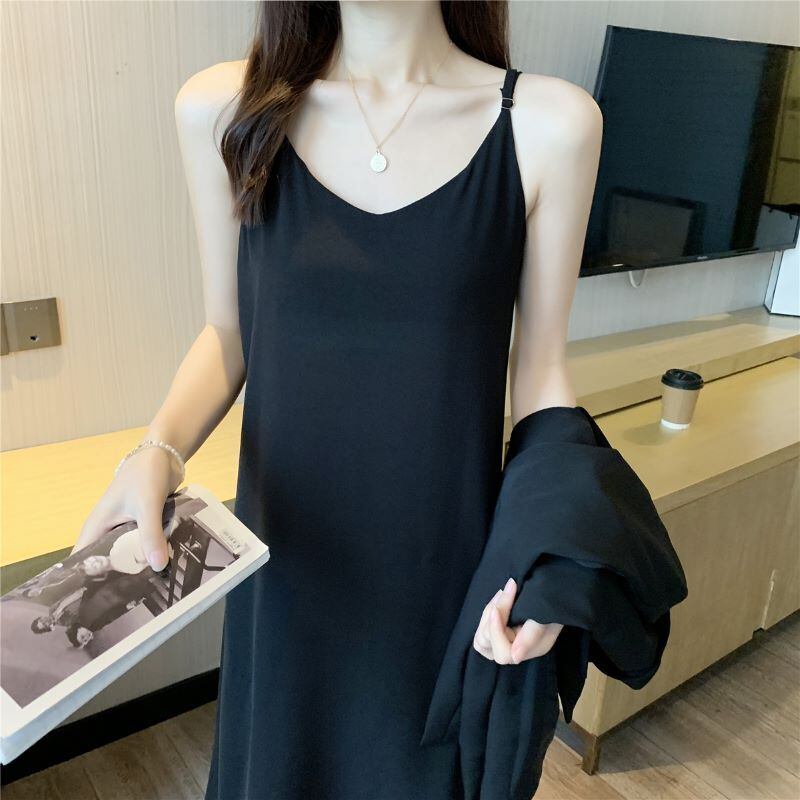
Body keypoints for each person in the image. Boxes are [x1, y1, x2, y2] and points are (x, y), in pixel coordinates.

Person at [71, 2, 602, 797]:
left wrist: (545, 556)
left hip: (442, 573)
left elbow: (542, 377)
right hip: (287, 566)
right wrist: (157, 449)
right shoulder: (224, 108)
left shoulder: (548, 125)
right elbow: (229, 330)